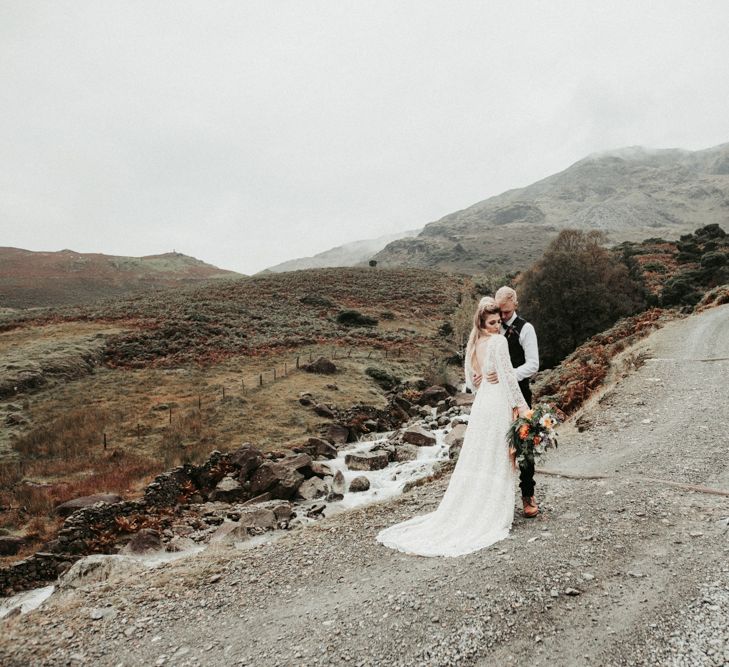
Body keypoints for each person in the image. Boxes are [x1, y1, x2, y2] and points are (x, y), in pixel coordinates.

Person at [376, 297, 528, 557]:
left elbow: (472, 383)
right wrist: (525, 411)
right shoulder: (499, 342)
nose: (496, 327)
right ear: (481, 322)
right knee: (496, 456)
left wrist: (483, 378)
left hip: (482, 404)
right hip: (497, 402)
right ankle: (490, 511)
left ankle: (479, 505)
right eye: (491, 323)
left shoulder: (473, 345)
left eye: (498, 322)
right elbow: (509, 379)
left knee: (483, 455)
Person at [474, 286, 540, 517]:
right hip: (494, 398)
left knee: (524, 446)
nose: (500, 317)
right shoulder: (490, 328)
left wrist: (508, 374)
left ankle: (527, 495)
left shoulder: (525, 328)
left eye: (505, 311)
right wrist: (481, 374)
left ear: (514, 304)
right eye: (498, 312)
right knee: (496, 448)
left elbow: (533, 364)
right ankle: (495, 499)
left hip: (519, 393)